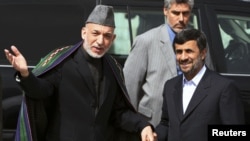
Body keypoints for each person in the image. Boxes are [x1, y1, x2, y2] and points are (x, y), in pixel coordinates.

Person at [4, 5, 157, 141]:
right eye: (95, 33)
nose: (100, 41)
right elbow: (41, 91)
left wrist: (143, 125)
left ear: (113, 39)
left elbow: (118, 112)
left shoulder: (114, 68)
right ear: (84, 33)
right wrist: (25, 74)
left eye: (107, 36)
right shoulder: (63, 61)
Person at [123, 0, 205, 127]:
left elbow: (208, 81)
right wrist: (135, 126)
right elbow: (129, 89)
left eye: (185, 13)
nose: (181, 19)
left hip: (189, 123)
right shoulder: (146, 41)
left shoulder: (199, 41)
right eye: (176, 13)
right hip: (152, 123)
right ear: (165, 11)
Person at [155, 28, 245, 141]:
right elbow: (166, 123)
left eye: (189, 51)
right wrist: (154, 135)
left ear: (203, 54)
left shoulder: (224, 88)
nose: (183, 57)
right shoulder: (170, 86)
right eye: (179, 52)